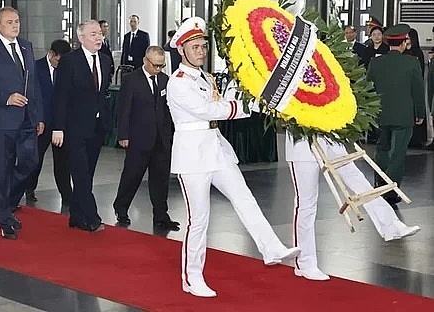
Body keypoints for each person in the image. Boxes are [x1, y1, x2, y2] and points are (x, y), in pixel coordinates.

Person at [167, 17, 299, 298]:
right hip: (192, 156)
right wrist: (241, 106)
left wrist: (246, 91)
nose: (201, 51)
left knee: (244, 198)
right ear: (181, 49)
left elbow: (221, 102)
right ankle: (192, 278)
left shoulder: (206, 78)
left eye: (203, 46)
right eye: (194, 47)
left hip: (216, 149)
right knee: (198, 219)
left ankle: (271, 248)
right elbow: (207, 110)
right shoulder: (178, 82)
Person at [286, 134, 421, 281]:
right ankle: (305, 263)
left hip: (330, 136)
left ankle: (390, 224)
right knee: (306, 203)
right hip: (301, 145)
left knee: (356, 178)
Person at [0, 7, 43, 240]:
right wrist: (6, 98)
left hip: (27, 118)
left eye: (17, 21)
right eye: (10, 22)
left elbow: (34, 84)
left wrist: (38, 116)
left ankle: (8, 202)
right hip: (1, 118)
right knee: (2, 169)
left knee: (30, 161)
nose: (15, 25)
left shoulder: (26, 46)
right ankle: (4, 218)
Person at [52, 20, 113, 233]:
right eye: (93, 34)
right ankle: (92, 216)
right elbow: (61, 96)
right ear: (81, 38)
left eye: (100, 34)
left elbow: (102, 93)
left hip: (97, 125)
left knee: (88, 173)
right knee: (80, 172)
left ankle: (76, 216)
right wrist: (58, 127)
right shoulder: (70, 61)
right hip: (74, 126)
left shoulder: (105, 60)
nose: (98, 37)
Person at [113, 46, 179, 231]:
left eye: (161, 65)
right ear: (145, 60)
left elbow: (168, 109)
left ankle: (161, 215)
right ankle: (121, 208)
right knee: (132, 176)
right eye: (155, 65)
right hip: (138, 137)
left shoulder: (165, 80)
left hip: (161, 138)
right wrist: (123, 135)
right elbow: (124, 109)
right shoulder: (131, 80)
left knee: (160, 179)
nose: (158, 69)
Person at [367, 24, 425, 206]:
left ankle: (380, 183)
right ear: (403, 43)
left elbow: (368, 88)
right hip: (404, 115)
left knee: (381, 149)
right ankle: (391, 190)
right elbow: (418, 90)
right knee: (398, 152)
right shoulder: (412, 63)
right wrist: (420, 113)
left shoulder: (375, 62)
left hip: (380, 114)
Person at [26, 39, 73, 205]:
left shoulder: (67, 68)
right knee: (36, 159)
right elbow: (32, 96)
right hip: (42, 123)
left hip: (61, 123)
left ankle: (66, 194)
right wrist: (37, 118)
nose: (60, 64)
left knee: (62, 162)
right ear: (51, 54)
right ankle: (29, 188)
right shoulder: (36, 67)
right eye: (58, 60)